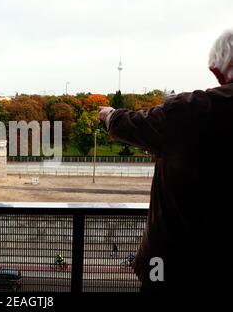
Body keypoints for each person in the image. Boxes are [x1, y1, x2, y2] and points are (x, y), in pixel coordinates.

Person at [98, 30, 233, 292]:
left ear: (216, 71)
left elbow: (135, 125)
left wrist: (110, 116)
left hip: (175, 268)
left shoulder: (191, 110)